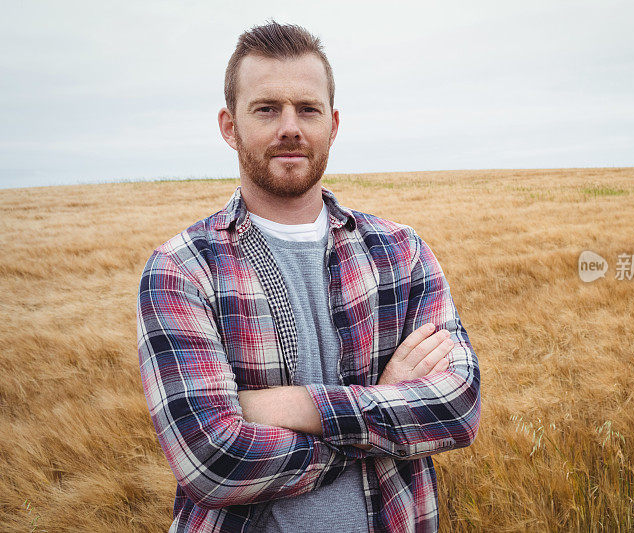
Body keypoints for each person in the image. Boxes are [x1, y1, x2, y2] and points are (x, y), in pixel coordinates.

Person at [136, 20, 480, 533]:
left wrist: (291, 406)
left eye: (308, 109)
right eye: (267, 109)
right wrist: (381, 408)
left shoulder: (400, 252)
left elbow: (458, 406)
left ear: (333, 124)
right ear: (229, 126)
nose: (290, 127)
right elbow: (211, 460)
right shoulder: (182, 269)